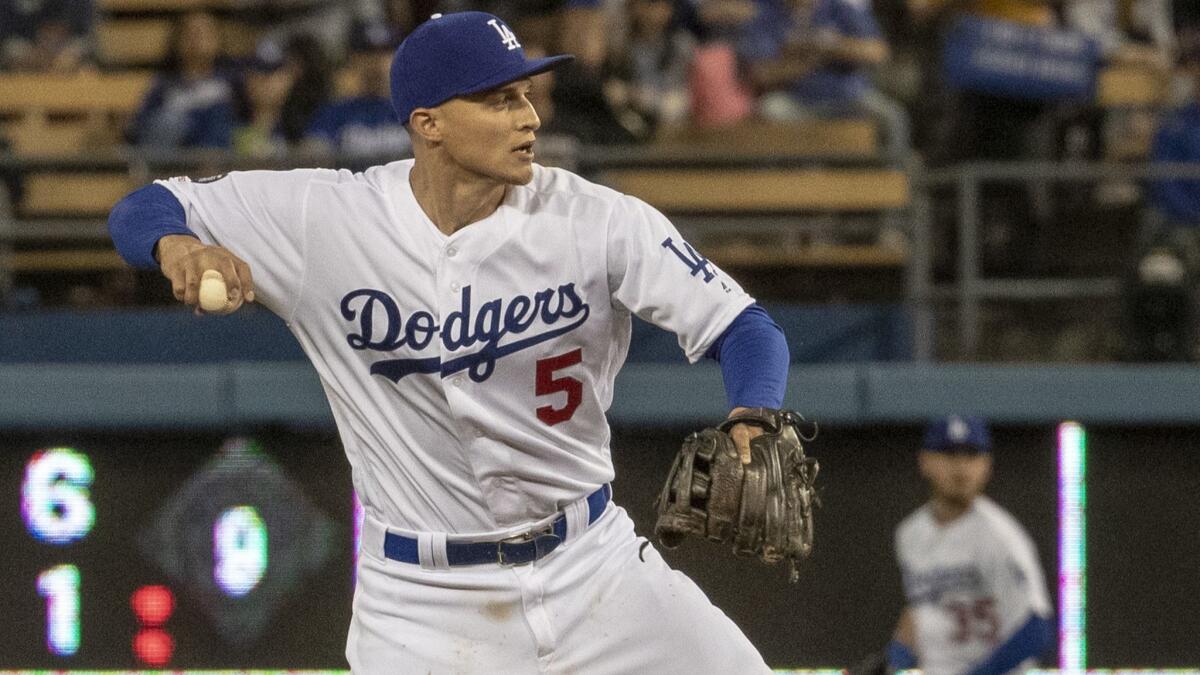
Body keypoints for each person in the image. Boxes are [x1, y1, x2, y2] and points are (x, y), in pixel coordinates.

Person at [108, 12, 788, 673]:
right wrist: (179, 245)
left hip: (595, 567)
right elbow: (144, 204)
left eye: (526, 94)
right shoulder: (328, 218)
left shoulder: (596, 219)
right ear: (427, 123)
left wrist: (753, 413)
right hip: (420, 606)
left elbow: (744, 325)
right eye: (499, 100)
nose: (529, 116)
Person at [886, 416, 1053, 675]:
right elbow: (923, 611)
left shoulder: (999, 536)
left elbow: (1036, 629)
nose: (962, 468)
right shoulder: (909, 535)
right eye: (950, 454)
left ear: (987, 465)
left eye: (972, 455)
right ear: (925, 461)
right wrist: (892, 660)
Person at [740, 0, 910, 157]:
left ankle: (892, 178)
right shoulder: (767, 12)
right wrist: (806, 60)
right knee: (770, 109)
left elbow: (877, 52)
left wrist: (832, 46)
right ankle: (780, 181)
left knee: (892, 117)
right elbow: (761, 74)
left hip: (848, 96)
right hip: (798, 100)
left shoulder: (839, 7)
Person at [127, 11, 237, 150]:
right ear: (177, 41)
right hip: (171, 160)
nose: (196, 40)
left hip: (220, 157)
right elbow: (142, 126)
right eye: (190, 34)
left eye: (203, 33)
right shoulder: (163, 84)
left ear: (218, 39)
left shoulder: (232, 82)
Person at [303, 22, 409, 157]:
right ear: (353, 59)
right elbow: (311, 159)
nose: (377, 62)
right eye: (368, 53)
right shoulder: (334, 113)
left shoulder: (415, 109)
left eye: (385, 52)